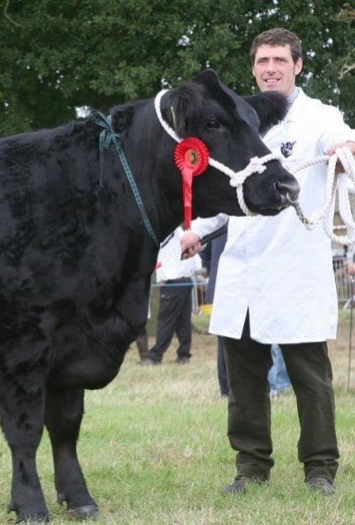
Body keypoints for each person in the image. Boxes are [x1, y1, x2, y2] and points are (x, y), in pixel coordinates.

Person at [181, 28, 355, 496]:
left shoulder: (320, 117)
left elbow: (346, 142)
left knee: (310, 378)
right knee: (244, 379)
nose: (270, 68)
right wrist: (197, 231)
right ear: (253, 68)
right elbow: (225, 190)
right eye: (263, 61)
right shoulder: (237, 118)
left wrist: (345, 151)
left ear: (299, 65)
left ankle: (320, 469)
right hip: (241, 266)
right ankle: (251, 466)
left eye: (280, 59)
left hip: (295, 265)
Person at [140, 226, 196, 365]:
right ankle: (184, 355)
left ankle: (155, 355)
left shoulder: (168, 231)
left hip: (173, 279)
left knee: (166, 320)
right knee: (183, 321)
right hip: (184, 278)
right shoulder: (180, 232)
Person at [199, 229, 229, 396]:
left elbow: (205, 252)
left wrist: (211, 269)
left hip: (216, 280)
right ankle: (229, 386)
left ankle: (225, 386)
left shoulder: (217, 220)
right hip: (229, 282)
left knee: (223, 339)